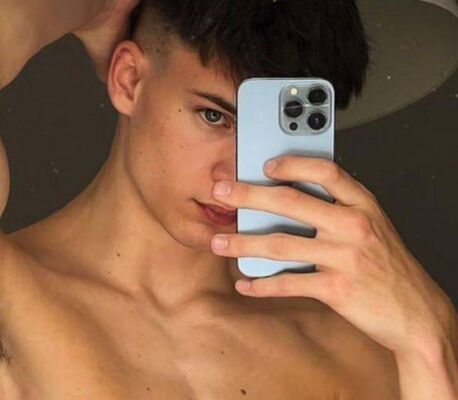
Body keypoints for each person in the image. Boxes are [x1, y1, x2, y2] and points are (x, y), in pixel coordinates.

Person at [0, 0, 456, 399]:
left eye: (270, 133)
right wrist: (90, 6)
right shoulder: (12, 300)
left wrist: (430, 342)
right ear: (129, 79)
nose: (235, 173)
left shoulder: (346, 346)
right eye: (214, 116)